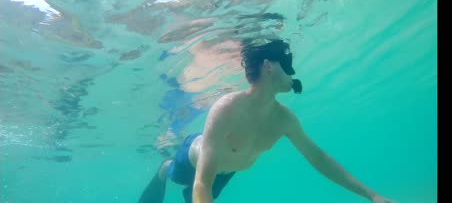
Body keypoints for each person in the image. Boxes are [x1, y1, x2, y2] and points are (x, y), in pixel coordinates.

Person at [138, 38, 395, 203]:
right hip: (193, 158)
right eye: (287, 66)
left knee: (202, 196)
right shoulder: (226, 109)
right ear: (269, 66)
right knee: (179, 178)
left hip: (226, 173)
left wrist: (372, 196)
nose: (292, 74)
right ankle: (165, 166)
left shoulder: (284, 119)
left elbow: (319, 159)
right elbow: (202, 181)